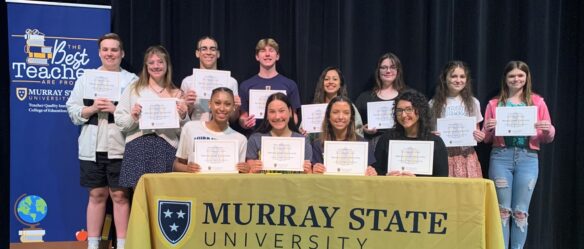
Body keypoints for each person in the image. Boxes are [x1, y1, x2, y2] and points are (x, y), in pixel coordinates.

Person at [66, 33, 136, 249]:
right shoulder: (86, 78)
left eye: (114, 49)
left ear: (122, 53)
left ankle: (123, 244)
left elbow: (136, 117)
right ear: (99, 53)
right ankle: (93, 244)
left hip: (120, 147)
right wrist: (93, 108)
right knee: (96, 194)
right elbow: (73, 110)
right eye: (105, 49)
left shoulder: (132, 80)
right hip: (91, 147)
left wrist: (116, 111)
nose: (109, 53)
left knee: (120, 195)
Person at [482, 61, 555, 249]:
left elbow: (548, 138)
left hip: (528, 158)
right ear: (505, 79)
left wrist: (548, 129)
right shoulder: (494, 104)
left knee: (521, 212)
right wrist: (488, 129)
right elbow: (486, 139)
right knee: (502, 211)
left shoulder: (537, 102)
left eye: (520, 75)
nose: (516, 79)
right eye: (512, 76)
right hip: (501, 157)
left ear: (526, 78)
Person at [114, 45, 188, 188]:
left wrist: (183, 116)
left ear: (167, 65)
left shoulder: (177, 93)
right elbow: (119, 120)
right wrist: (133, 117)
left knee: (164, 196)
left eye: (160, 62)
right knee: (139, 197)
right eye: (151, 62)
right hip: (138, 147)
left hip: (167, 148)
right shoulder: (134, 89)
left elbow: (185, 132)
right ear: (146, 66)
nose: (156, 66)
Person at [373, 89, 449, 176]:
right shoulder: (386, 139)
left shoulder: (435, 142)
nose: (403, 115)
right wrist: (387, 177)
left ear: (420, 111)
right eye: (399, 110)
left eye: (409, 109)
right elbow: (376, 171)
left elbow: (442, 179)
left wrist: (416, 182)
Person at [429, 61, 485, 177]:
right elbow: (429, 131)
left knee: (468, 193)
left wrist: (479, 136)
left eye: (462, 76)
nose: (458, 80)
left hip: (467, 156)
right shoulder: (433, 103)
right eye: (454, 76)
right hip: (443, 156)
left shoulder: (473, 102)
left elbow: (477, 130)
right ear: (445, 78)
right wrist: (432, 135)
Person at [174, 87, 248, 173]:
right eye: (217, 103)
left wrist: (245, 169)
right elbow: (176, 165)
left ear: (234, 107)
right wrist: (187, 168)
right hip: (195, 185)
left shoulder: (240, 139)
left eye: (227, 104)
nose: (222, 108)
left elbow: (239, 174)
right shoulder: (190, 128)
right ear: (210, 104)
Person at [238, 38, 302, 135]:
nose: (267, 54)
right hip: (255, 137)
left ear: (277, 56)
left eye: (271, 50)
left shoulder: (290, 85)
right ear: (257, 56)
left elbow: (294, 117)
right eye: (263, 51)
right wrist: (244, 122)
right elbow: (243, 116)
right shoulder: (246, 85)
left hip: (282, 137)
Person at [246, 93, 312, 173]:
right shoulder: (255, 139)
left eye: (281, 111)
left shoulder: (303, 141)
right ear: (267, 115)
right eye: (272, 112)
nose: (277, 116)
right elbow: (249, 177)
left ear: (290, 112)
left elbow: (309, 177)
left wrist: (308, 170)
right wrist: (253, 170)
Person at [310, 96, 377, 176]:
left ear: (351, 117)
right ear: (328, 116)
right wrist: (315, 171)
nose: (340, 117)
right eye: (335, 112)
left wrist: (371, 173)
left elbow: (370, 178)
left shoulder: (363, 144)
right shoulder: (318, 145)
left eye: (346, 113)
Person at [180, 36, 240, 122]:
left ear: (218, 53)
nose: (208, 52)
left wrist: (236, 107)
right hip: (196, 131)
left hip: (222, 132)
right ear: (197, 53)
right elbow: (183, 118)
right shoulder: (187, 82)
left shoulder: (230, 82)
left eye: (212, 49)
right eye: (204, 49)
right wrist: (188, 105)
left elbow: (233, 119)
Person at [355, 52, 407, 141]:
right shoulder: (365, 97)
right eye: (384, 67)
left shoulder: (407, 96)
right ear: (378, 71)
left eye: (392, 67)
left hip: (400, 142)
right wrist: (364, 129)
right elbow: (354, 124)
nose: (388, 71)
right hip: (372, 144)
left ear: (398, 71)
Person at [301, 66, 364, 140]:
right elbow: (303, 131)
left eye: (335, 79)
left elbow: (358, 130)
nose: (330, 82)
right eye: (327, 79)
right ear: (322, 83)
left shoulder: (349, 106)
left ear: (340, 84)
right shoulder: (313, 109)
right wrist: (303, 133)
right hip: (319, 148)